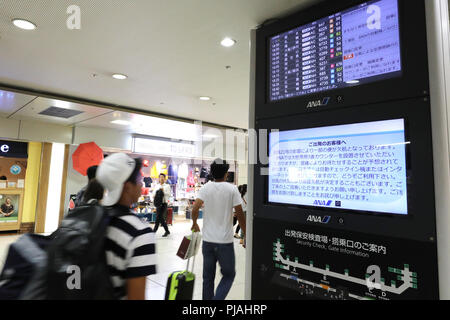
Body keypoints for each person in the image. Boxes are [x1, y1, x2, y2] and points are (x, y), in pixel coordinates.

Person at [96, 153, 157, 300]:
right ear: (128, 187)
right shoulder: (139, 233)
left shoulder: (94, 218)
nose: (142, 184)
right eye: (139, 179)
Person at [191, 158, 246, 300]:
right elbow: (239, 213)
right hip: (224, 242)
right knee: (229, 275)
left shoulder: (205, 188)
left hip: (208, 241)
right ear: (226, 173)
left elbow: (195, 207)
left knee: (207, 278)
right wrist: (245, 233)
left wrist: (194, 223)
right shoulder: (232, 189)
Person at [152, 173, 171, 237]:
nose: (161, 178)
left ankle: (154, 231)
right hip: (158, 203)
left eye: (163, 177)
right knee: (160, 217)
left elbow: (169, 194)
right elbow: (153, 193)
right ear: (159, 179)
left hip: (164, 203)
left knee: (159, 217)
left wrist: (163, 191)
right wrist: (154, 195)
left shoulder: (167, 186)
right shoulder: (157, 186)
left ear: (164, 178)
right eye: (160, 177)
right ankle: (167, 231)